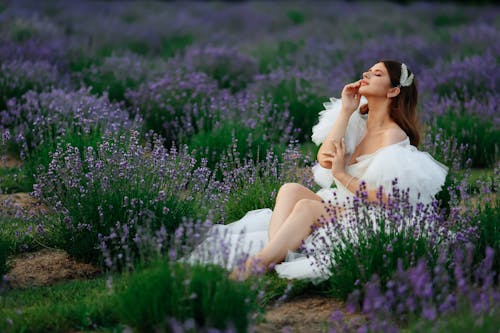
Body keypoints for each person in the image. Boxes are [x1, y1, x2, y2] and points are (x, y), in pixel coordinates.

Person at [186, 60, 448, 282]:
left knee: (307, 209)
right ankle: (275, 256)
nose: (366, 74)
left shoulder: (393, 136)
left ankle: (255, 266)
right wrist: (346, 111)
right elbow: (324, 158)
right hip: (343, 204)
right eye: (367, 71)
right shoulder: (359, 122)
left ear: (393, 91)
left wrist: (342, 175)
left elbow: (389, 200)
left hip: (372, 215)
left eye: (377, 74)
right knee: (290, 189)